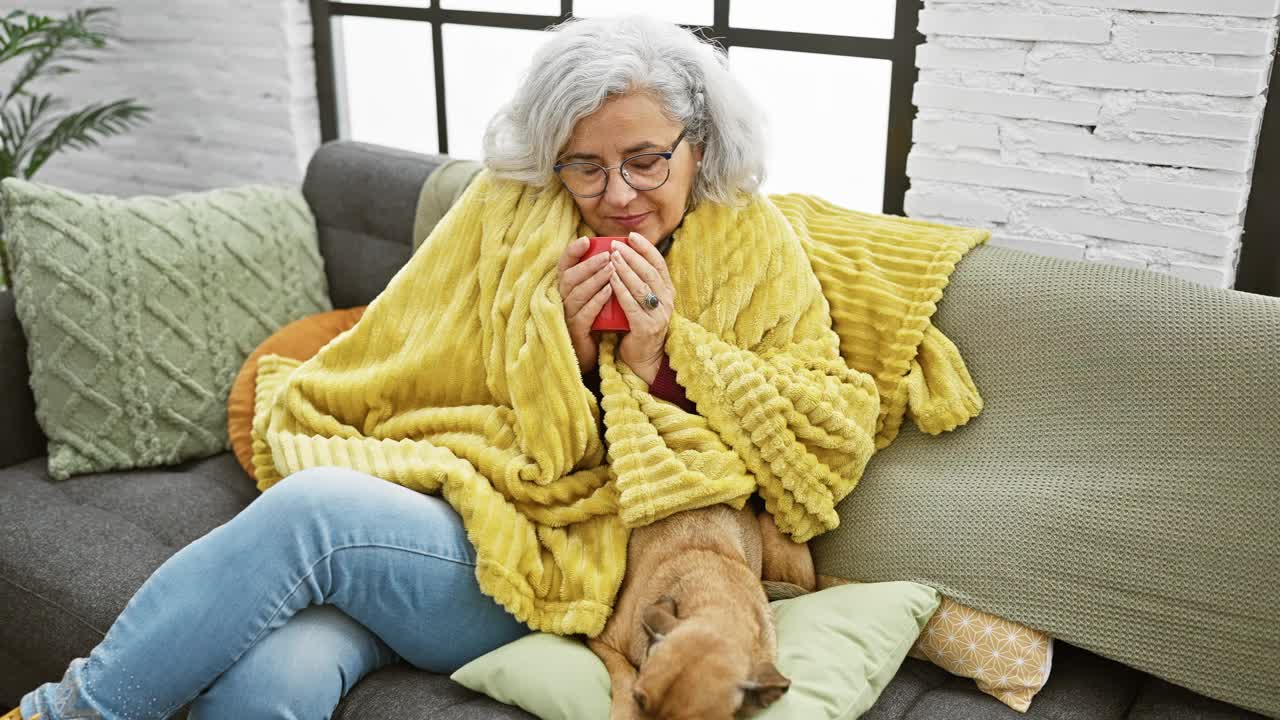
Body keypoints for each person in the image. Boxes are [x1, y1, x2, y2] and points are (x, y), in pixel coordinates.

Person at [8, 13, 768, 720]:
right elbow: (418, 360)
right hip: (460, 516)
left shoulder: (751, 249)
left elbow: (796, 435)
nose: (617, 194)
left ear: (696, 145)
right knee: (280, 672)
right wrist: (557, 351)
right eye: (585, 166)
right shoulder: (506, 211)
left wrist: (654, 358)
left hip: (587, 572)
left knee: (316, 515)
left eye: (643, 161)